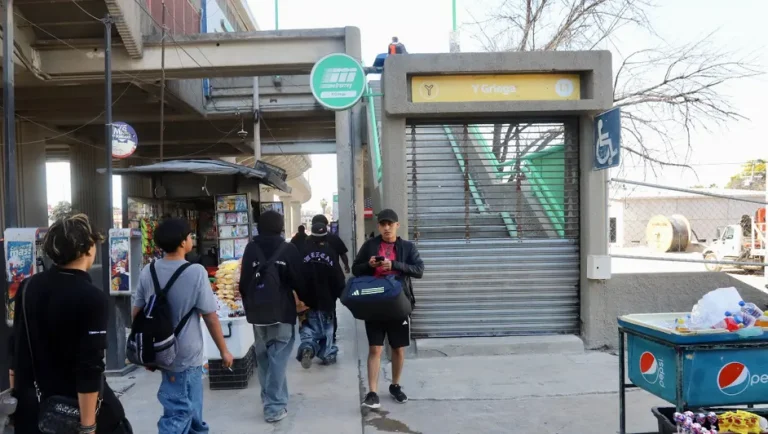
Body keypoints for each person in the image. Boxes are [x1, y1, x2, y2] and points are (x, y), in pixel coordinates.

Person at [9, 214, 131, 433]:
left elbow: (16, 349)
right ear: (88, 248)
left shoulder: (27, 287)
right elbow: (89, 368)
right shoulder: (92, 297)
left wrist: (15, 404)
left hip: (34, 411)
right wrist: (88, 427)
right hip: (74, 411)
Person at [133, 218, 233, 434]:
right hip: (186, 354)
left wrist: (146, 347)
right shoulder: (196, 272)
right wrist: (224, 350)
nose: (191, 239)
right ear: (182, 242)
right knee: (179, 414)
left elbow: (136, 313)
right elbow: (210, 316)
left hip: (160, 348)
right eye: (189, 236)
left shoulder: (148, 271)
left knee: (192, 415)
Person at [352, 209, 424, 409]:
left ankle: (395, 385)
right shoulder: (370, 245)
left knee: (398, 348)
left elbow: (419, 270)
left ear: (397, 225)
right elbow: (355, 269)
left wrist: (394, 265)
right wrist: (369, 265)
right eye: (383, 224)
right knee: (375, 348)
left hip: (398, 304)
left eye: (390, 224)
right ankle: (372, 392)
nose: (386, 228)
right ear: (378, 226)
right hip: (374, 303)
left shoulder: (407, 247)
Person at [239, 211, 306, 423]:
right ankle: (274, 407)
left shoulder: (251, 248)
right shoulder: (288, 249)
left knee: (264, 357)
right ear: (280, 227)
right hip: (281, 312)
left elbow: (243, 283)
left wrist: (250, 306)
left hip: (257, 314)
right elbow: (299, 281)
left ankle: (268, 398)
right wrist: (305, 303)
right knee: (278, 358)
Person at [296, 222, 346, 369]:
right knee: (327, 331)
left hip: (306, 302)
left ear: (311, 236)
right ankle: (327, 354)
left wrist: (299, 297)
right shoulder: (330, 253)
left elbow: (296, 276)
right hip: (326, 300)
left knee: (307, 328)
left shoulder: (303, 252)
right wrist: (339, 294)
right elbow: (338, 278)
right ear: (325, 237)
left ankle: (307, 348)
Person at [311, 214, 350, 345]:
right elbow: (343, 254)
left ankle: (317, 334)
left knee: (314, 308)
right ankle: (330, 335)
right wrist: (346, 266)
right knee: (330, 308)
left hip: (313, 279)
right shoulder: (334, 238)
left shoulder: (308, 240)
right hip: (331, 278)